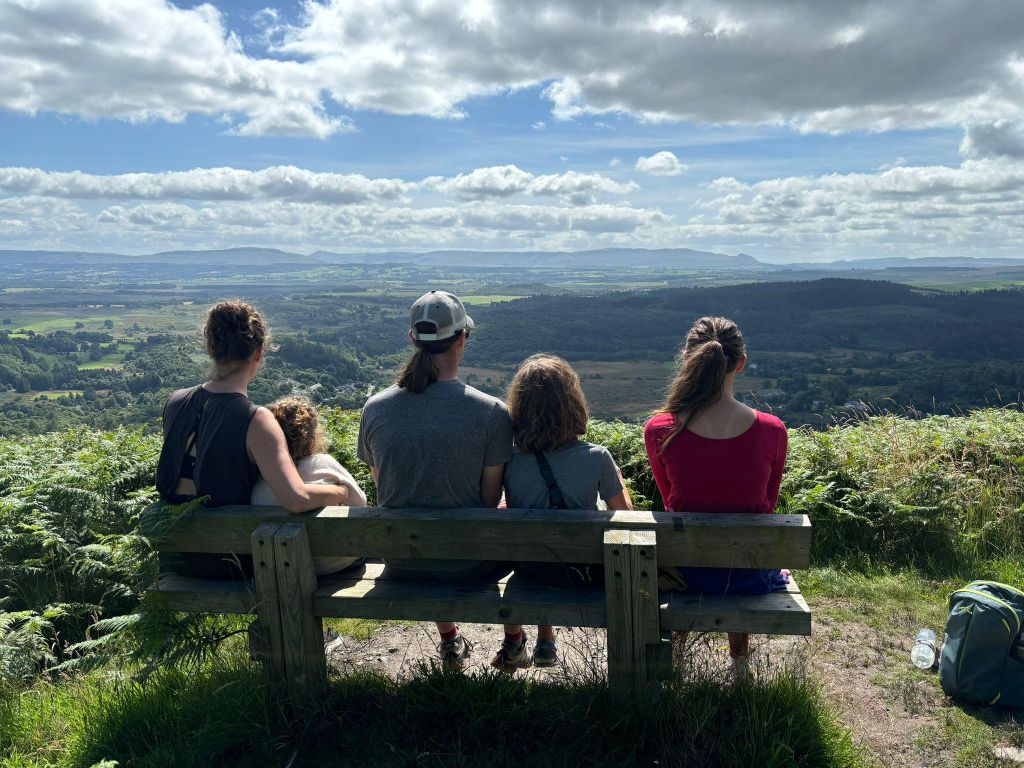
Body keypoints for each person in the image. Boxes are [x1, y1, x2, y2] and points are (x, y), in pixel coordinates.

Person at [357, 290, 514, 670]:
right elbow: (487, 502)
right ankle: (515, 639)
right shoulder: (491, 412)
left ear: (413, 339)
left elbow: (386, 489)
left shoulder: (375, 409)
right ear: (462, 339)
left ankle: (449, 638)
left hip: (402, 562)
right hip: (467, 564)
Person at [156, 301, 350, 579]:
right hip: (230, 561)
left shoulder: (175, 402)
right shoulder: (256, 420)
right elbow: (296, 499)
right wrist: (340, 493)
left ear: (210, 348)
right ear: (259, 353)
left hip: (175, 557)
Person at [643, 316, 788, 682]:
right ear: (741, 363)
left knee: (683, 546)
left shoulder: (660, 430)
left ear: (687, 360)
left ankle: (675, 660)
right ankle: (740, 667)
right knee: (742, 551)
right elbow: (766, 507)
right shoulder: (772, 431)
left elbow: (671, 503)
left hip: (685, 574)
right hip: (747, 575)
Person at [496, 354, 632, 672]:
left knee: (537, 545)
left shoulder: (510, 461)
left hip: (529, 569)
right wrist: (618, 483)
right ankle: (546, 641)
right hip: (577, 573)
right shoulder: (597, 458)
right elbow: (627, 517)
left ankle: (532, 641)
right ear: (573, 404)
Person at [251, 396, 367, 576]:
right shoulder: (323, 463)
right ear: (311, 438)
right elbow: (360, 504)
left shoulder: (260, 475)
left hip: (279, 564)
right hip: (335, 563)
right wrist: (340, 493)